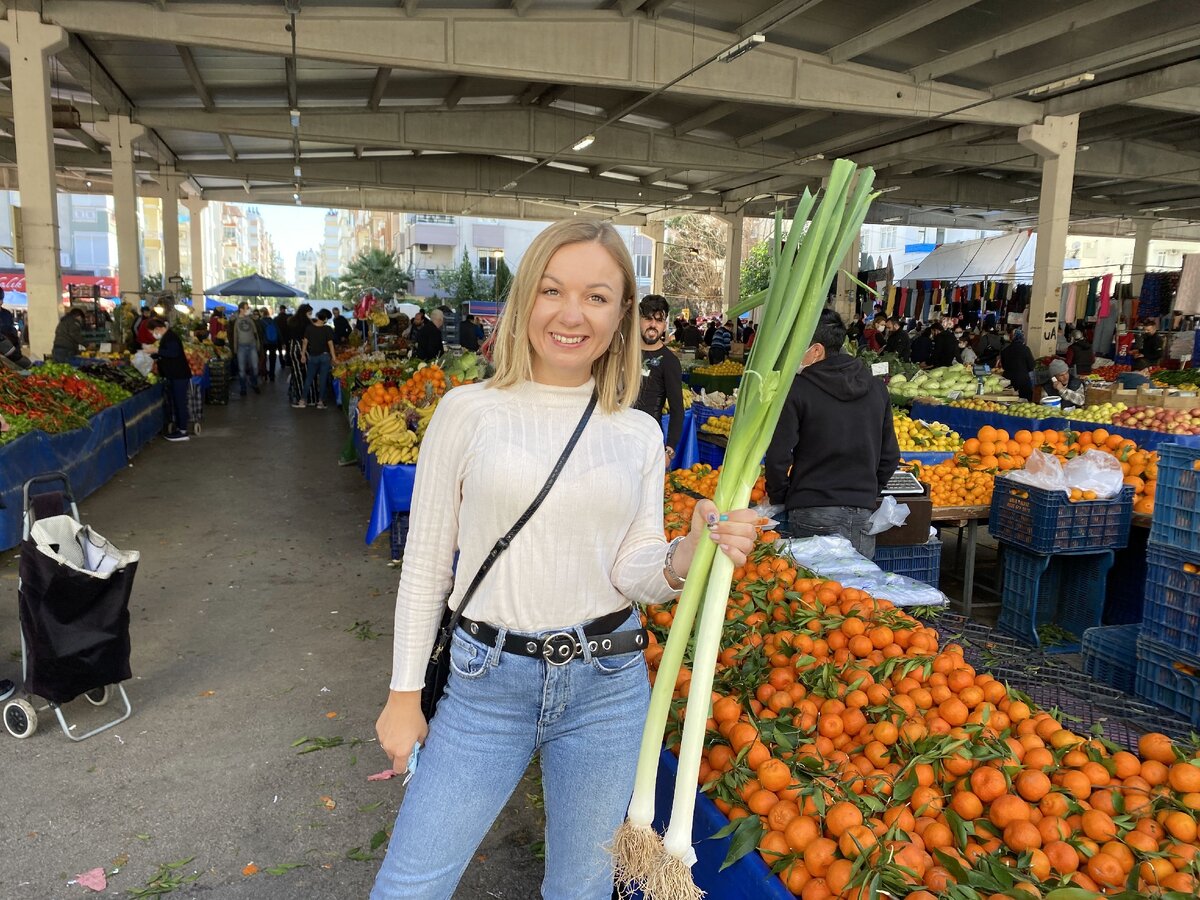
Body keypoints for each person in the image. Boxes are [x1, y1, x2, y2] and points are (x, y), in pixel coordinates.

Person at [369, 219, 758, 900]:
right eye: (553, 290)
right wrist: (405, 695)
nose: (572, 314)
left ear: (623, 315)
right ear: (525, 300)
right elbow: (428, 562)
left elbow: (633, 570)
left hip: (606, 686)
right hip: (486, 682)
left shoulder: (637, 432)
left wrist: (688, 551)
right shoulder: (468, 412)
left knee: (579, 889)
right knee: (410, 885)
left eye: (598, 297)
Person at [764, 309, 900, 560]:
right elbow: (890, 456)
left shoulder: (798, 389)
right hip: (862, 514)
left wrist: (782, 495)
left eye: (796, 348)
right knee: (857, 593)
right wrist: (866, 492)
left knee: (813, 593)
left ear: (816, 350)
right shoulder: (876, 388)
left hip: (811, 509)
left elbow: (777, 456)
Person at [632, 294, 685, 466]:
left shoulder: (669, 361)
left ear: (665, 324)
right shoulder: (623, 353)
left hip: (649, 441)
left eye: (659, 320)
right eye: (648, 319)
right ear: (638, 319)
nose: (653, 325)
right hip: (615, 437)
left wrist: (669, 450)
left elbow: (677, 409)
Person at [147, 318, 192, 441]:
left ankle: (183, 431)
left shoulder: (171, 337)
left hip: (179, 375)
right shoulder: (167, 337)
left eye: (152, 332)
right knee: (177, 402)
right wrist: (155, 355)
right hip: (174, 375)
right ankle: (180, 428)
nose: (152, 335)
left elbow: (173, 353)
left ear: (158, 329)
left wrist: (156, 350)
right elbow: (167, 353)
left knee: (180, 403)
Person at [298, 308, 336, 409]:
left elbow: (305, 342)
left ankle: (302, 400)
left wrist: (302, 355)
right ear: (325, 319)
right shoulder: (327, 329)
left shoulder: (309, 328)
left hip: (312, 357)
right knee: (323, 379)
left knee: (309, 378)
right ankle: (320, 402)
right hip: (324, 357)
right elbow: (331, 345)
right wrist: (334, 357)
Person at [229, 301, 261, 397]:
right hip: (241, 347)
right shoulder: (235, 319)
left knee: (255, 367)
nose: (248, 309)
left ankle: (254, 383)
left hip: (252, 346)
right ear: (241, 309)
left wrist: (258, 344)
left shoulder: (251, 318)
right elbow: (230, 328)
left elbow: (257, 330)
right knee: (241, 369)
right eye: (247, 308)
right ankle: (243, 388)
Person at [286, 304, 314, 406]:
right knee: (309, 374)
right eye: (309, 313)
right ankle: (311, 398)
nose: (310, 315)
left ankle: (301, 399)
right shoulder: (307, 324)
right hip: (304, 350)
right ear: (305, 312)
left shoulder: (292, 321)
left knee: (298, 374)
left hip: (294, 349)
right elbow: (306, 340)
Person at [999, 329, 1036, 401]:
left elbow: (1004, 367)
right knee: (1024, 404)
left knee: (1008, 403)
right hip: (1023, 382)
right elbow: (1032, 366)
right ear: (1023, 338)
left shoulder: (1005, 350)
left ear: (1011, 338)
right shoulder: (1025, 349)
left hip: (1008, 382)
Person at [262, 307, 283, 382]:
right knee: (272, 359)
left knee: (263, 359)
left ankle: (264, 374)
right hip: (273, 343)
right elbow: (278, 332)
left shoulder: (261, 322)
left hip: (264, 343)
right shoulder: (273, 321)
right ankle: (272, 375)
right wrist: (281, 342)